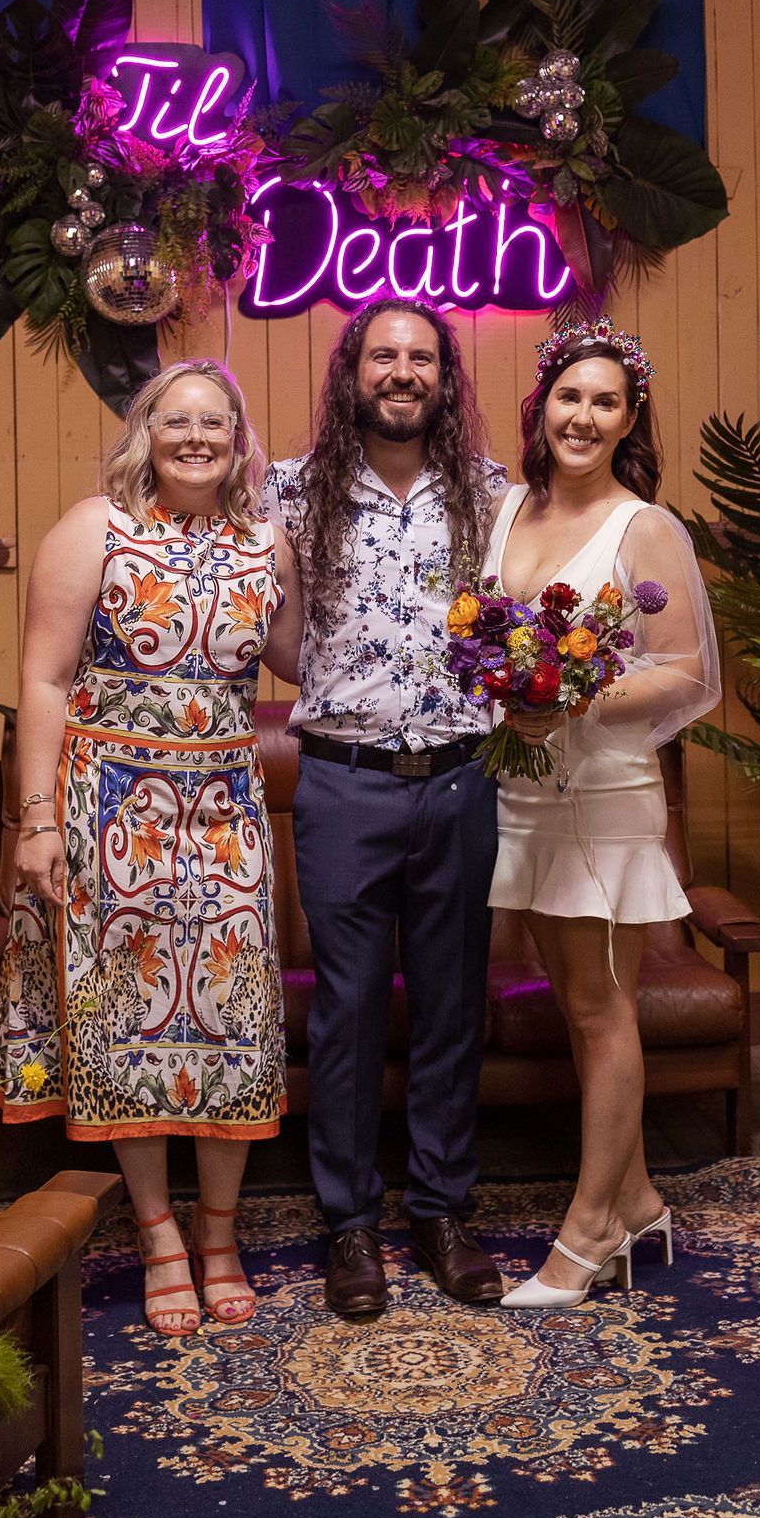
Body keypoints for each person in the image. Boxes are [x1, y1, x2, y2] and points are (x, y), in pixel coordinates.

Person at [0, 359, 302, 1336]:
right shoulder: (94, 529)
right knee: (128, 1022)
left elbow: (302, 660)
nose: (198, 436)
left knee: (229, 1020)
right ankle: (160, 1235)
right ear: (146, 432)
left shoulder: (265, 539)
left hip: (225, 810)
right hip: (109, 808)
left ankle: (219, 1233)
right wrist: (36, 820)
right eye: (178, 420)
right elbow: (42, 679)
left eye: (217, 422)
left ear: (240, 439)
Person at [265, 294, 506, 1319]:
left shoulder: (493, 495)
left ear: (446, 379)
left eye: (420, 357)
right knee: (350, 1010)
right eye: (382, 355)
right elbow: (271, 633)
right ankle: (350, 1224)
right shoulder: (289, 491)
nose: (401, 371)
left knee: (453, 1004)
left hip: (461, 780)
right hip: (342, 784)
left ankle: (443, 1210)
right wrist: (337, 688)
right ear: (350, 372)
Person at [487, 318, 720, 1310]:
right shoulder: (506, 509)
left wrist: (568, 692)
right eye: (568, 397)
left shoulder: (643, 527)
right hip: (522, 790)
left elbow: (683, 672)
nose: (582, 415)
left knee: (598, 1005)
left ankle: (586, 1236)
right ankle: (637, 1200)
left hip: (604, 794)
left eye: (604, 402)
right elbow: (483, 639)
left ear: (629, 421)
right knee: (575, 1003)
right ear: (540, 407)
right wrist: (505, 683)